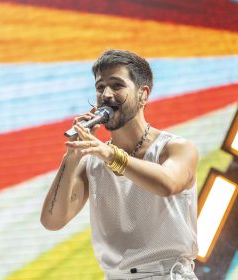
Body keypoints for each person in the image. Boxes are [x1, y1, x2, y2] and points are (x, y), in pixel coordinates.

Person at [40, 49, 199, 280]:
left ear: (143, 94)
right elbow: (52, 221)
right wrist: (72, 156)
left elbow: (168, 184)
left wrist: (109, 154)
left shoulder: (175, 148)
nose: (106, 94)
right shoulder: (93, 162)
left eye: (117, 85)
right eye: (100, 87)